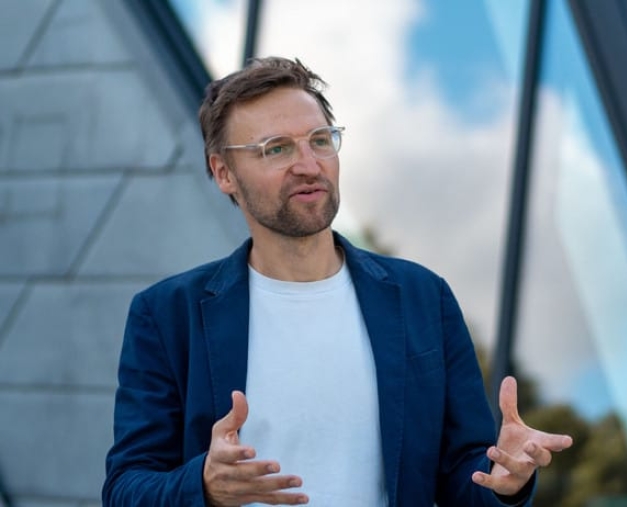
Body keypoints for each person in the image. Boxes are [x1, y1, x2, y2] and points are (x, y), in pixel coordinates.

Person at [102, 56, 572, 506]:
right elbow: (125, 489)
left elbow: (465, 481)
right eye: (277, 148)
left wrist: (505, 483)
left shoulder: (423, 298)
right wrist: (203, 486)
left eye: (320, 140)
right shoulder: (167, 316)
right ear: (224, 173)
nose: (309, 164)